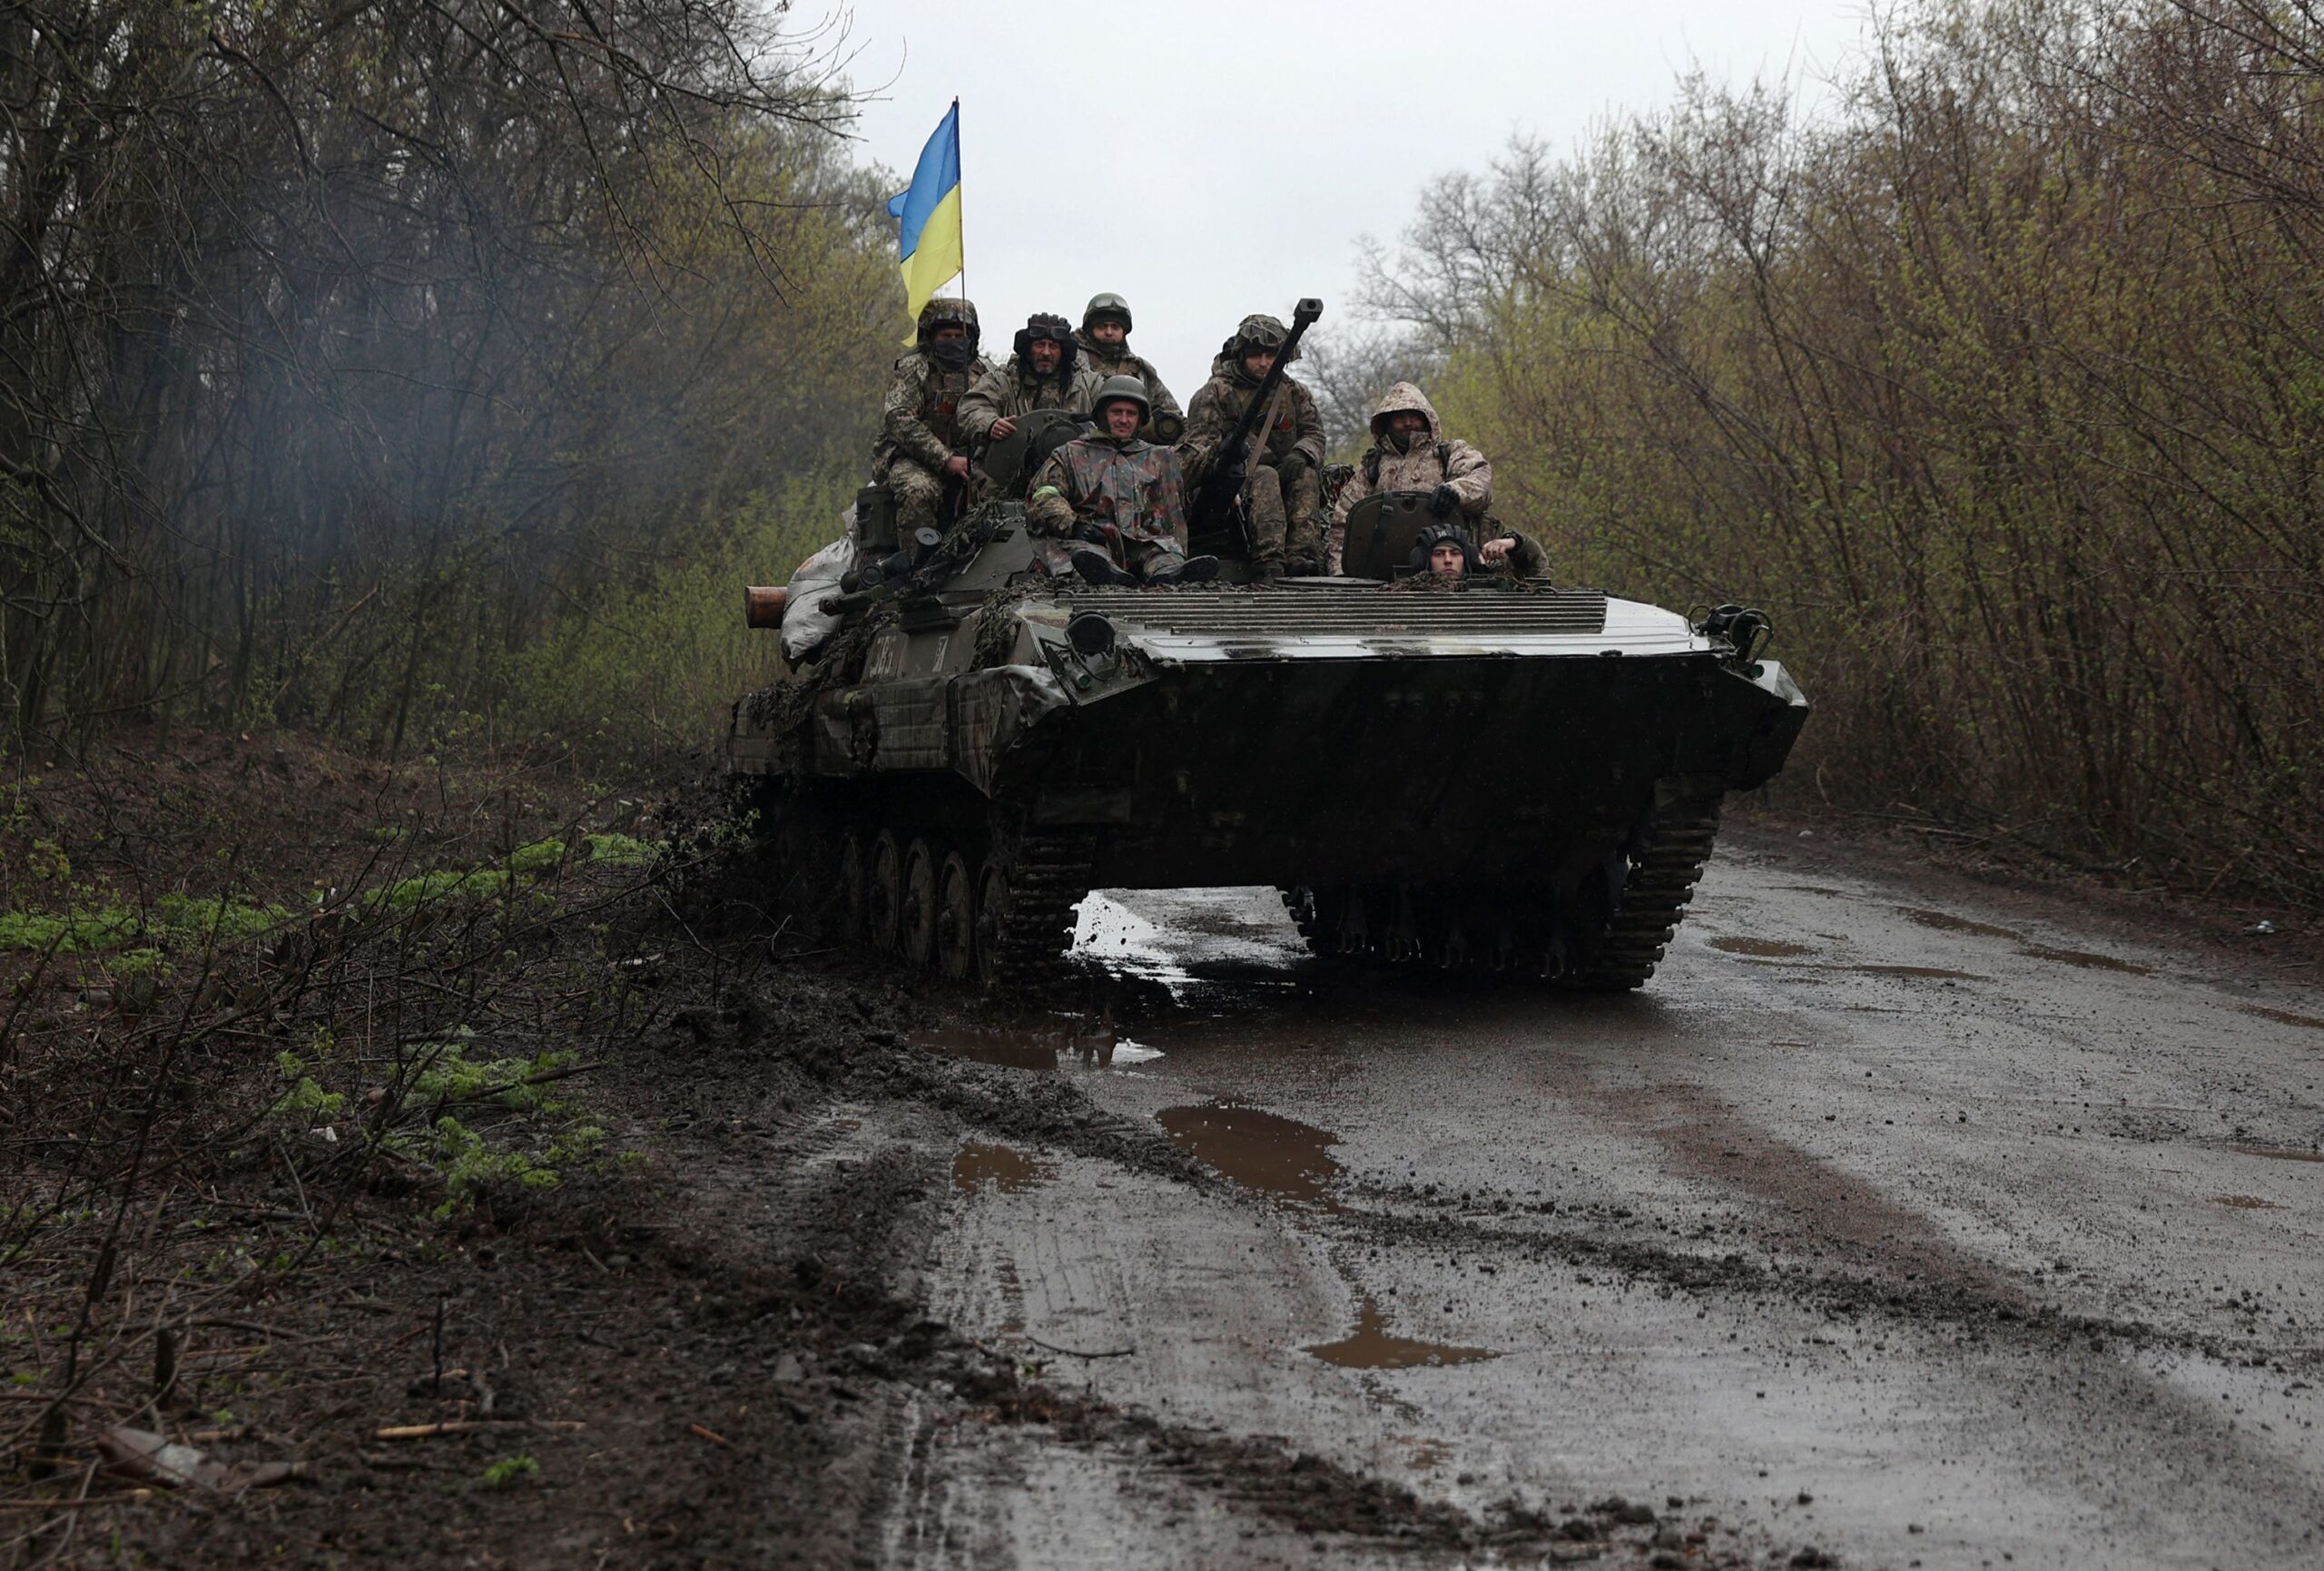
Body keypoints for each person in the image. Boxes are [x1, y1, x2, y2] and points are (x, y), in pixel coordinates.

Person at [1328, 381, 1544, 577]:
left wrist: (1456, 491)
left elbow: (1481, 480)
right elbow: (1344, 520)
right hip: (1386, 571)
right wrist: (1342, 572)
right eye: (1399, 416)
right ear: (1386, 421)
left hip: (1452, 565)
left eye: (1414, 415)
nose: (1407, 422)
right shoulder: (1372, 467)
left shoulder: (1449, 453)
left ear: (1426, 418)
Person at [1026, 376, 1218, 585]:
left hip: (1147, 543)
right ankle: (1109, 578)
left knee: (1165, 559)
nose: (1124, 420)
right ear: (1102, 415)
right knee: (1086, 560)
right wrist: (1072, 524)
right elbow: (1045, 494)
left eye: (1131, 414)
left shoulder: (1160, 458)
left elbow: (1196, 467)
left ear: (1141, 419)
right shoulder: (1071, 454)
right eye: (1116, 412)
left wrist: (1223, 451)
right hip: (1092, 541)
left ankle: (1169, 575)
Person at [1178, 313, 1327, 578]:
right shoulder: (1215, 393)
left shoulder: (1294, 392)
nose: (1264, 363)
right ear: (1241, 355)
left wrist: (1301, 453)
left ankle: (1303, 556)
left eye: (1271, 356)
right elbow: (1195, 451)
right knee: (1264, 475)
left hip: (1284, 470)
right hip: (1229, 484)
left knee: (1305, 475)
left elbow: (1314, 432)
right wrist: (1226, 450)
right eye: (1256, 355)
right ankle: (1270, 561)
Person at [871, 298, 994, 535]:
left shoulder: (985, 371)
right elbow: (900, 420)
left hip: (971, 461)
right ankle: (917, 564)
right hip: (915, 459)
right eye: (945, 336)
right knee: (917, 490)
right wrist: (946, 459)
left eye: (960, 336)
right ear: (931, 337)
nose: (953, 342)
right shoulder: (914, 368)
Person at [959, 312, 1104, 444]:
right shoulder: (1002, 380)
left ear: (1064, 352)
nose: (1046, 353)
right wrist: (990, 424)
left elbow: (1115, 411)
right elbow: (971, 407)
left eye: (1053, 346)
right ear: (1028, 348)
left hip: (1075, 467)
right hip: (1014, 466)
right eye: (1039, 345)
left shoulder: (1088, 384)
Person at [1074, 293, 1182, 441]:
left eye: (1115, 327)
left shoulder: (1140, 370)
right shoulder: (1073, 361)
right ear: (1090, 328)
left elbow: (1172, 416)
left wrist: (1147, 425)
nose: (1109, 332)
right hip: (1079, 445)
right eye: (1102, 326)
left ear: (1124, 331)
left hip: (1129, 452)